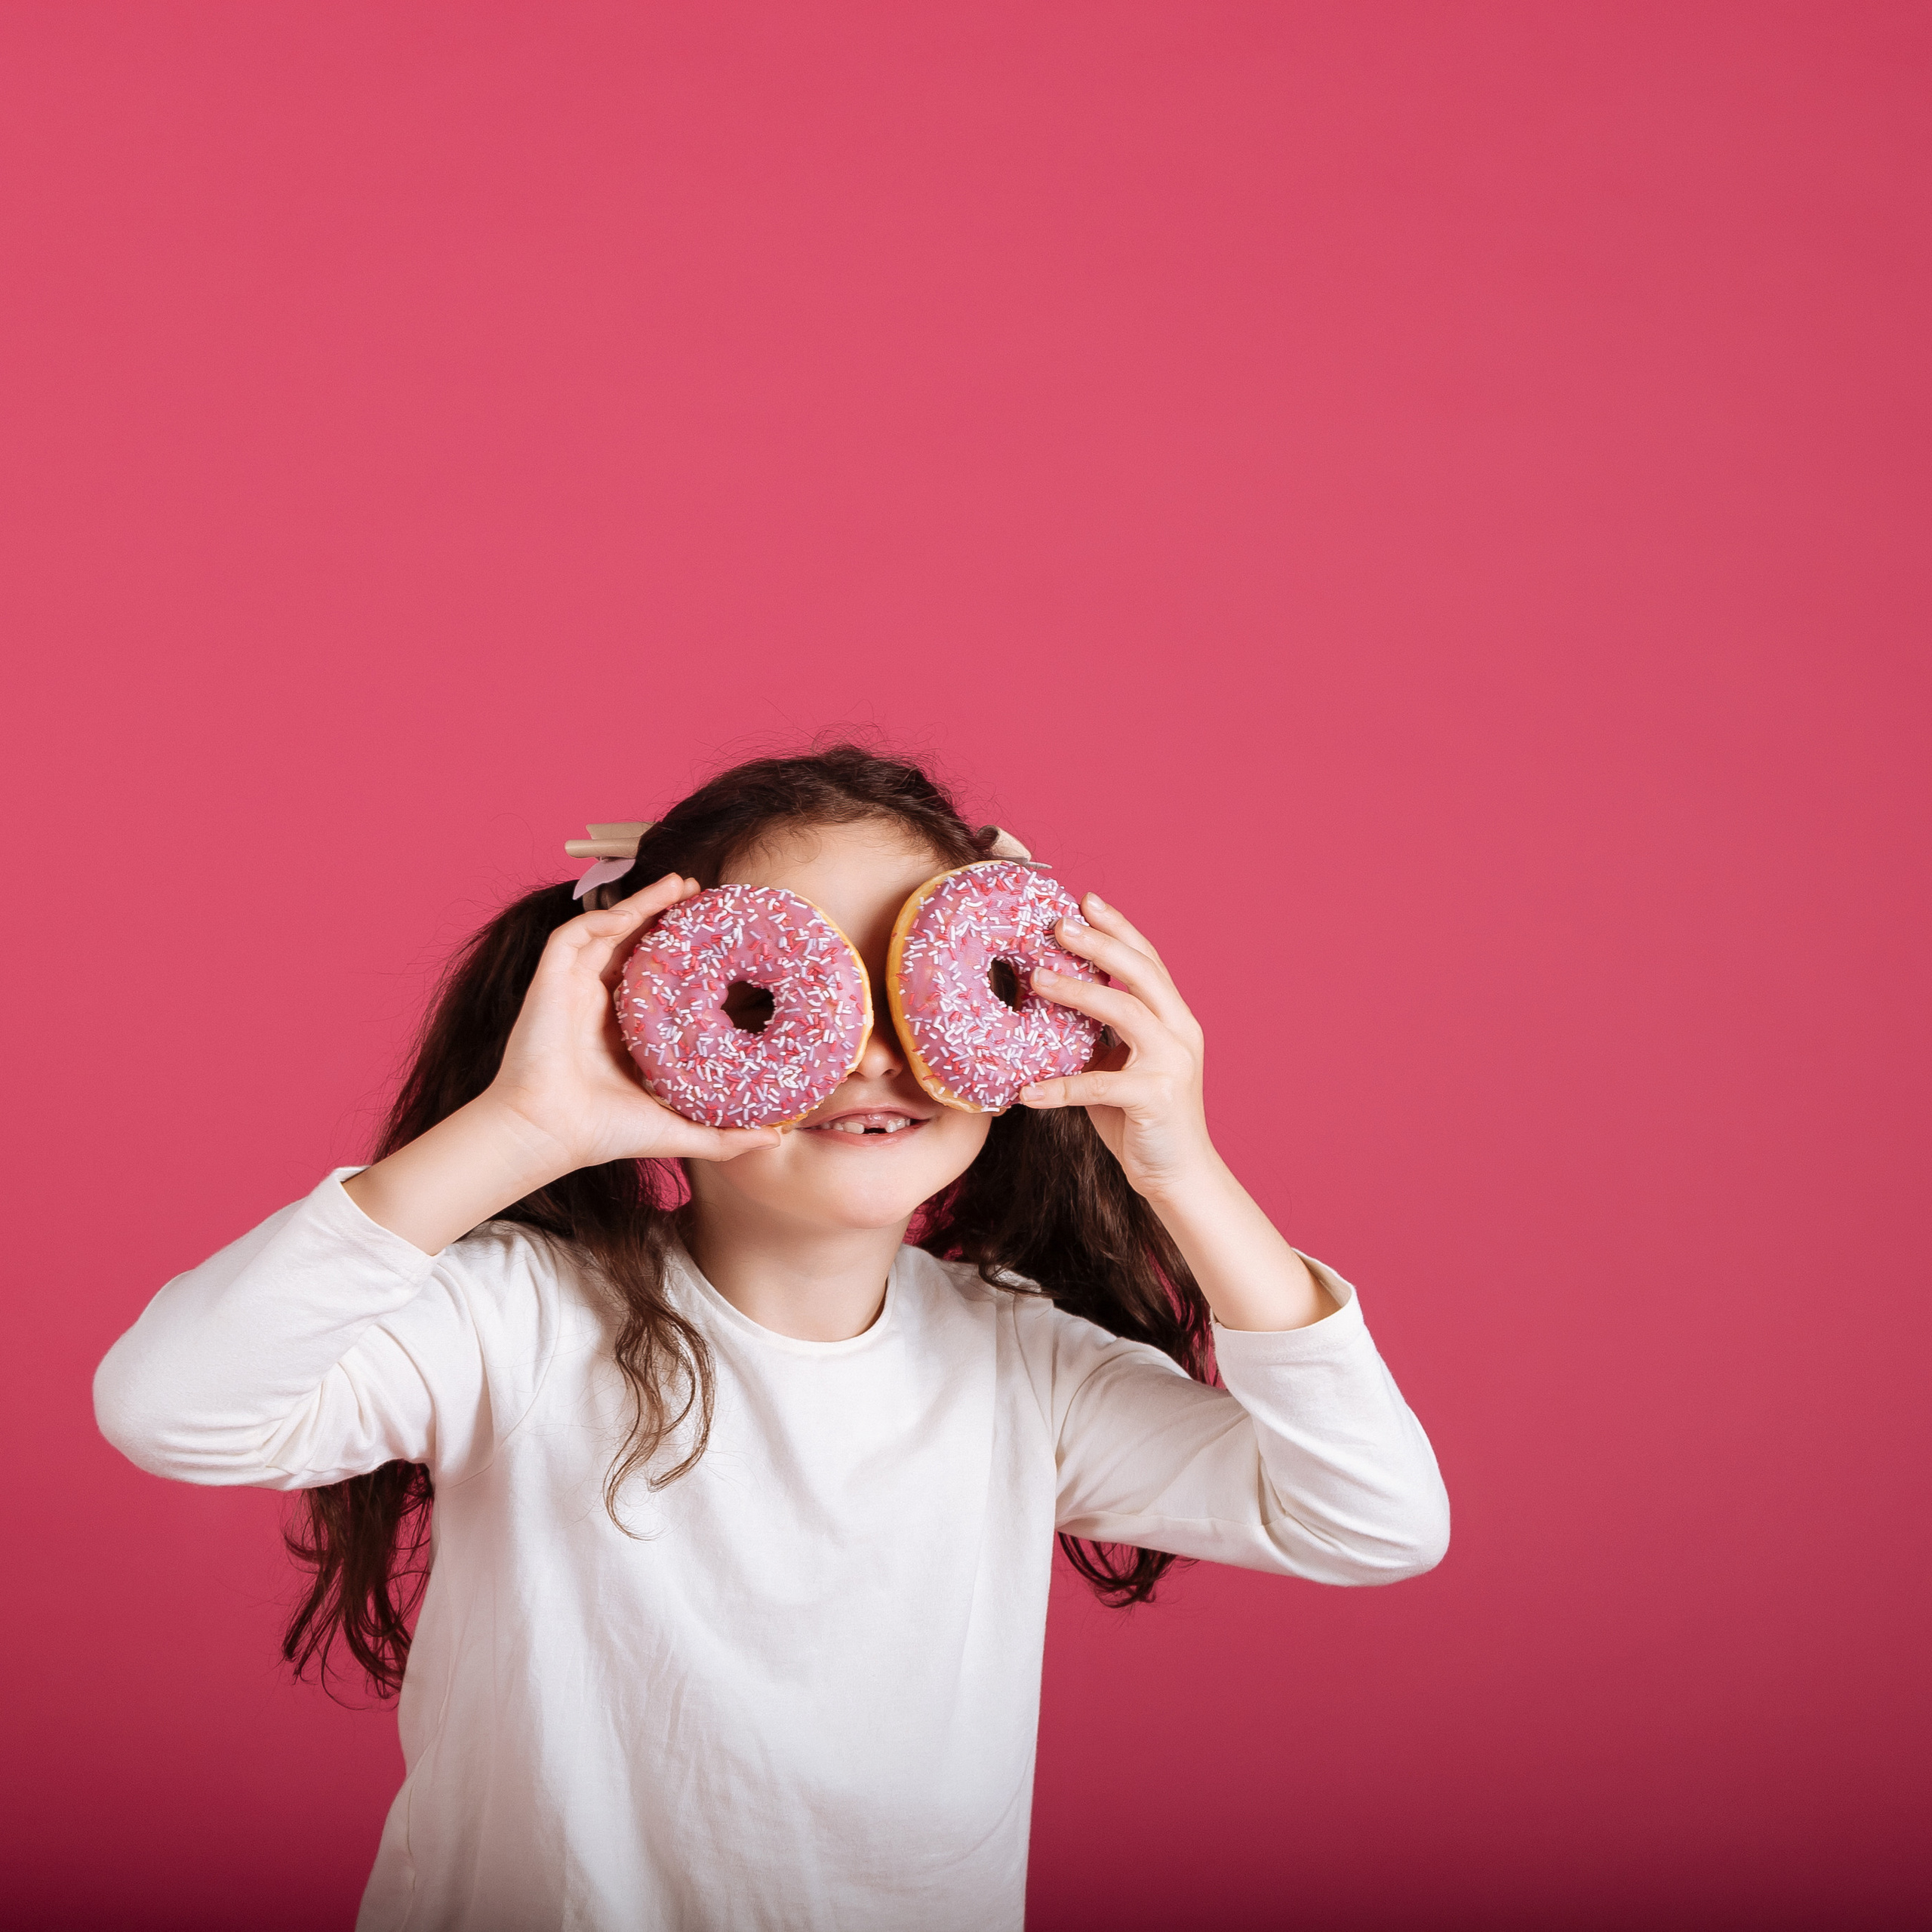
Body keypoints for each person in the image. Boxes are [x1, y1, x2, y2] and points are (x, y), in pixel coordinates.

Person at [94, 745, 1450, 1932]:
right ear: (647, 1010)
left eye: (921, 985)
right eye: (782, 990)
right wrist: (525, 1127)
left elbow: (1375, 1519)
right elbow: (173, 1405)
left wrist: (1180, 1162)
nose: (871, 1049)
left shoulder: (1020, 1370)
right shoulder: (513, 1321)